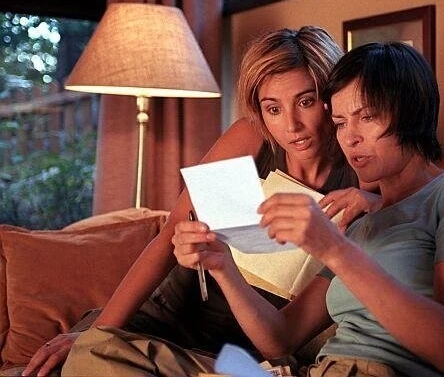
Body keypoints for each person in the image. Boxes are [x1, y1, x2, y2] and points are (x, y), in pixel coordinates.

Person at [23, 27, 378, 377]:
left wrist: (374, 204)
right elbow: (167, 239)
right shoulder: (250, 139)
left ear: (331, 98)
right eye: (273, 108)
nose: (292, 126)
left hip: (248, 349)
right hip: (169, 318)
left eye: (306, 102)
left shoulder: (359, 175)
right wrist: (97, 332)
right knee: (76, 362)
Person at [172, 41, 444, 376]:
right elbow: (281, 339)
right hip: (319, 370)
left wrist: (335, 250)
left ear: (412, 112)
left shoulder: (437, 198)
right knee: (122, 355)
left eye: (367, 117)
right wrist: (222, 266)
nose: (350, 138)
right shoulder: (361, 224)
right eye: (341, 122)